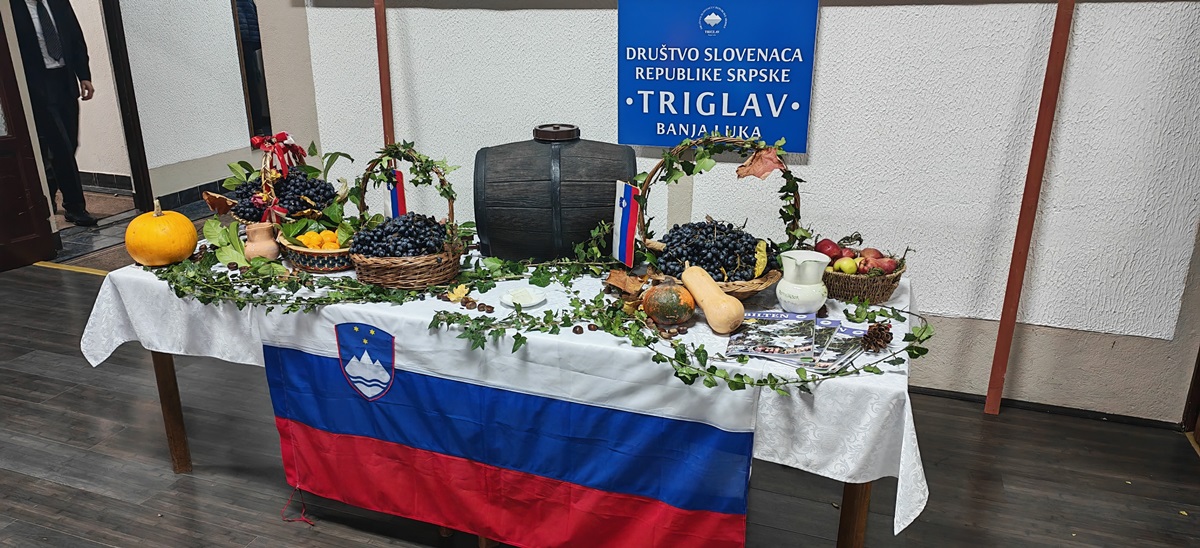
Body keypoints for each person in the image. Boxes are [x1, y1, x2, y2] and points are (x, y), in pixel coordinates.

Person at [10, 0, 97, 226]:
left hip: (65, 81)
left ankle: (47, 191)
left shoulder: (59, 3)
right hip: (37, 86)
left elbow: (75, 38)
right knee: (61, 146)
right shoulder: (11, 8)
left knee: (70, 143)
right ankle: (75, 207)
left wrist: (84, 76)